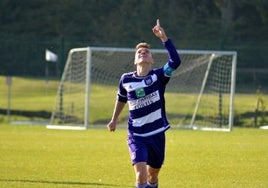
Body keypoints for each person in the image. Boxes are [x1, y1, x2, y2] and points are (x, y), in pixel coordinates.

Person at [107, 19, 181, 188]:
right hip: (136, 134)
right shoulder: (126, 79)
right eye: (139, 52)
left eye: (146, 51)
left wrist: (164, 38)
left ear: (152, 60)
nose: (143, 52)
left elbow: (175, 61)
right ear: (135, 60)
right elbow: (121, 98)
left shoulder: (159, 76)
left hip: (156, 133)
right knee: (140, 176)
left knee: (152, 175)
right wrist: (114, 119)